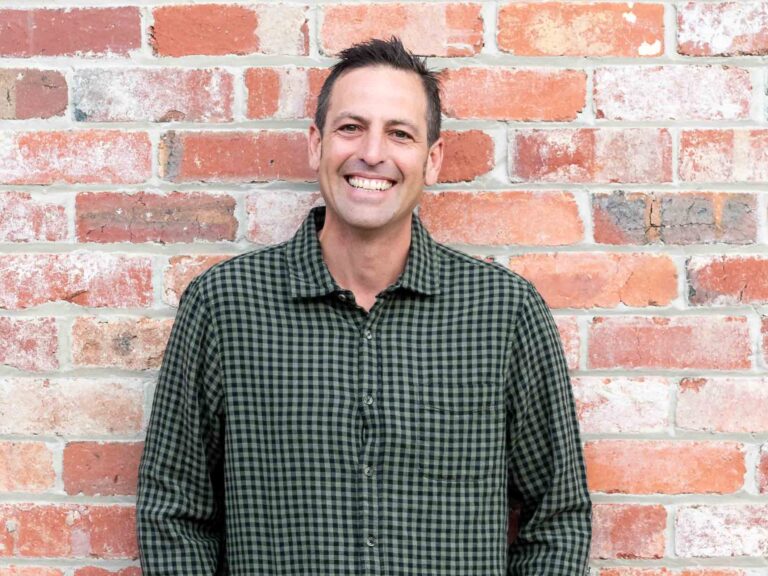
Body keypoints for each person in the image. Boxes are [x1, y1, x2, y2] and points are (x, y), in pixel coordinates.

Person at [137, 36, 592, 575]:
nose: (372, 153)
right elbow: (174, 514)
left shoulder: (504, 313)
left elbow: (557, 519)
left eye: (399, 133)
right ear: (316, 144)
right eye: (351, 127)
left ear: (432, 159)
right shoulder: (224, 307)